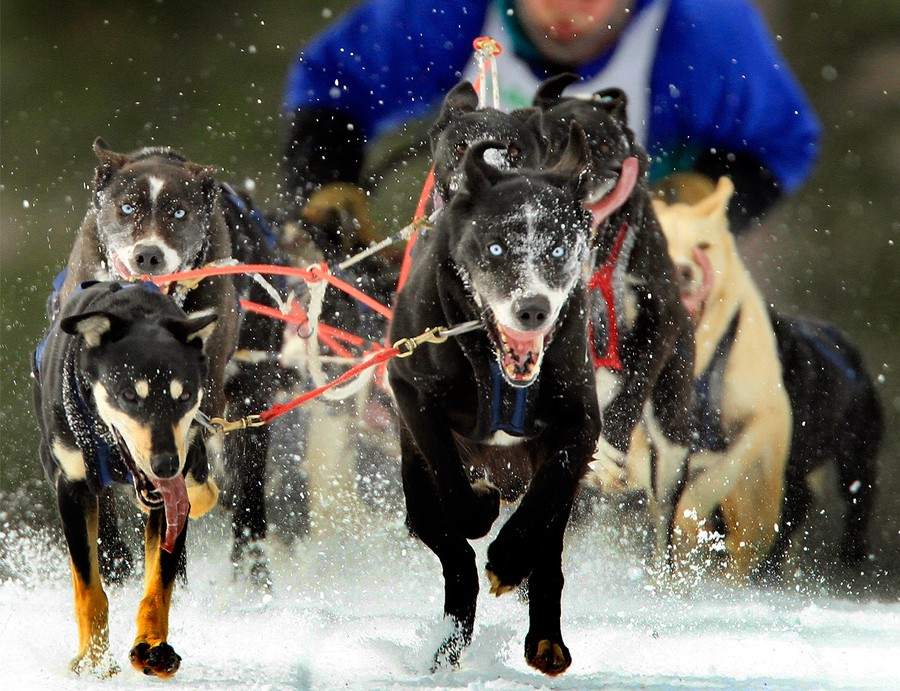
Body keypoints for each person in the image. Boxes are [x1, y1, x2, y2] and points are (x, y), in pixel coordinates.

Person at [282, 0, 820, 231]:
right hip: (467, 242)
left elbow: (780, 141)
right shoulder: (446, 12)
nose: (567, 10)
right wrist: (327, 186)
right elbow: (331, 87)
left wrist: (698, 200)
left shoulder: (703, 31)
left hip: (635, 243)